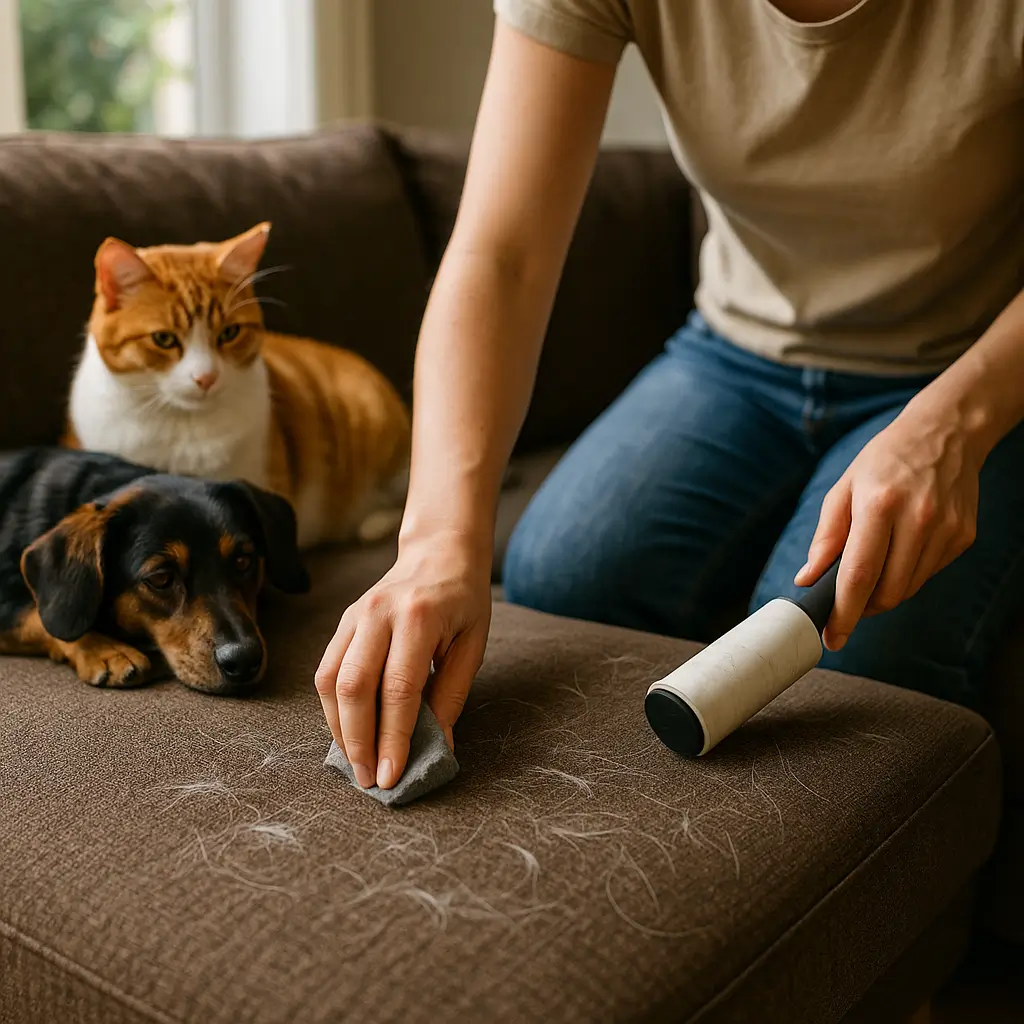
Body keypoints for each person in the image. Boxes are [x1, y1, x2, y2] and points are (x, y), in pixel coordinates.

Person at [315, 0, 1024, 792]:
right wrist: (437, 540)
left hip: (977, 369)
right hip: (736, 352)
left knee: (844, 669)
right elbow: (502, 255)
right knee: (563, 579)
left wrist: (953, 426)